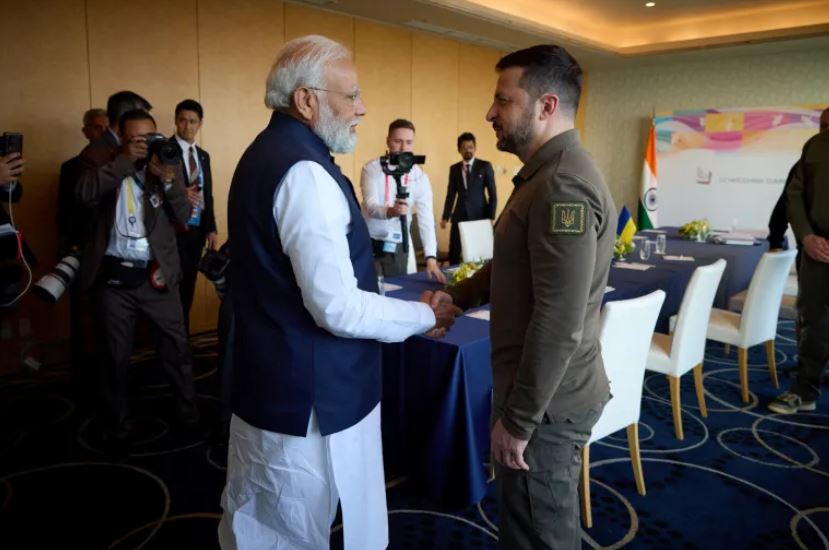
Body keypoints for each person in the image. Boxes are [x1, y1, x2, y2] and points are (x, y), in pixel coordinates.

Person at [219, 35, 459, 550]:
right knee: (288, 532)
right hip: (310, 401)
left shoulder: (265, 153)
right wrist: (422, 317)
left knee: (261, 523)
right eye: (351, 95)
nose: (362, 108)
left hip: (272, 379)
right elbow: (337, 307)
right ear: (306, 100)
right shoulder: (304, 172)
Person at [423, 45, 615, 549]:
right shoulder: (543, 173)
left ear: (546, 106)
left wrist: (520, 420)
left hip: (546, 407)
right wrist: (458, 297)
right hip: (542, 395)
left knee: (539, 536)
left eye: (503, 100)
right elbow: (514, 264)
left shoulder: (562, 185)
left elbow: (559, 320)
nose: (490, 113)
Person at [76, 108, 199, 450]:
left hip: (157, 274)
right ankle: (117, 424)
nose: (146, 145)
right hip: (114, 279)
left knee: (178, 349)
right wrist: (123, 163)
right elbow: (83, 194)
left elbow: (184, 214)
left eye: (151, 137)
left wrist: (169, 180)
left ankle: (189, 416)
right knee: (114, 356)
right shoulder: (100, 160)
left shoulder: (166, 162)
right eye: (137, 139)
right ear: (121, 138)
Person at [769, 105, 829, 415]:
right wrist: (806, 236)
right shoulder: (814, 147)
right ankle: (804, 391)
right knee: (812, 322)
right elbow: (793, 196)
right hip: (817, 251)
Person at [360, 119, 445, 281]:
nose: (403, 148)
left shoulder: (419, 176)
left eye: (408, 142)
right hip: (369, 239)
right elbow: (370, 206)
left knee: (397, 288)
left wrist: (431, 257)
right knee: (367, 289)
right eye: (397, 141)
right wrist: (391, 211)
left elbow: (426, 219)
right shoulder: (372, 168)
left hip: (398, 242)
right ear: (388, 141)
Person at [171, 99, 218, 329]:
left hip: (196, 231)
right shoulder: (166, 151)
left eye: (192, 121)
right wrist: (181, 192)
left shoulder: (203, 155)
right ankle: (175, 339)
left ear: (200, 124)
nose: (187, 126)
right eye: (182, 120)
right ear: (175, 121)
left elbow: (208, 194)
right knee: (172, 291)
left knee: (188, 288)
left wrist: (212, 228)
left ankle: (184, 338)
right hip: (172, 232)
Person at [440, 132, 497, 264]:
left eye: (470, 147)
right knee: (454, 250)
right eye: (464, 148)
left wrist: (491, 217)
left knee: (479, 251)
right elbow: (451, 194)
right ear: (459, 150)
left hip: (479, 216)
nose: (468, 150)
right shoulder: (454, 169)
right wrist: (445, 216)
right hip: (459, 215)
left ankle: (479, 275)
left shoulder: (485, 166)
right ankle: (454, 275)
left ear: (475, 148)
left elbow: (493, 194)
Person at [58, 108, 108, 256]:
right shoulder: (70, 167)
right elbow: (65, 209)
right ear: (86, 132)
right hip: (84, 240)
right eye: (97, 128)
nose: (103, 133)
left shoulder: (121, 163)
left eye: (107, 128)